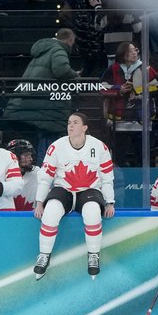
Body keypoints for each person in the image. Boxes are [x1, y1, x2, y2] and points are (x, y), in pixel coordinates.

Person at [33, 111, 116, 277]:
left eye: (75, 122)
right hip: (63, 189)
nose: (71, 125)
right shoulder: (56, 146)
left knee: (93, 213)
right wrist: (39, 201)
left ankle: (93, 255)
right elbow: (45, 177)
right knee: (50, 213)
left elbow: (107, 177)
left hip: (90, 190)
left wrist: (110, 202)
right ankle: (44, 255)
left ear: (85, 127)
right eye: (69, 122)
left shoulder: (99, 147)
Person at [7, 138, 39, 210]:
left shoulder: (37, 172)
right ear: (14, 156)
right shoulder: (3, 174)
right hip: (8, 216)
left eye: (30, 155)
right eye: (26, 155)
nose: (30, 159)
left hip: (31, 217)